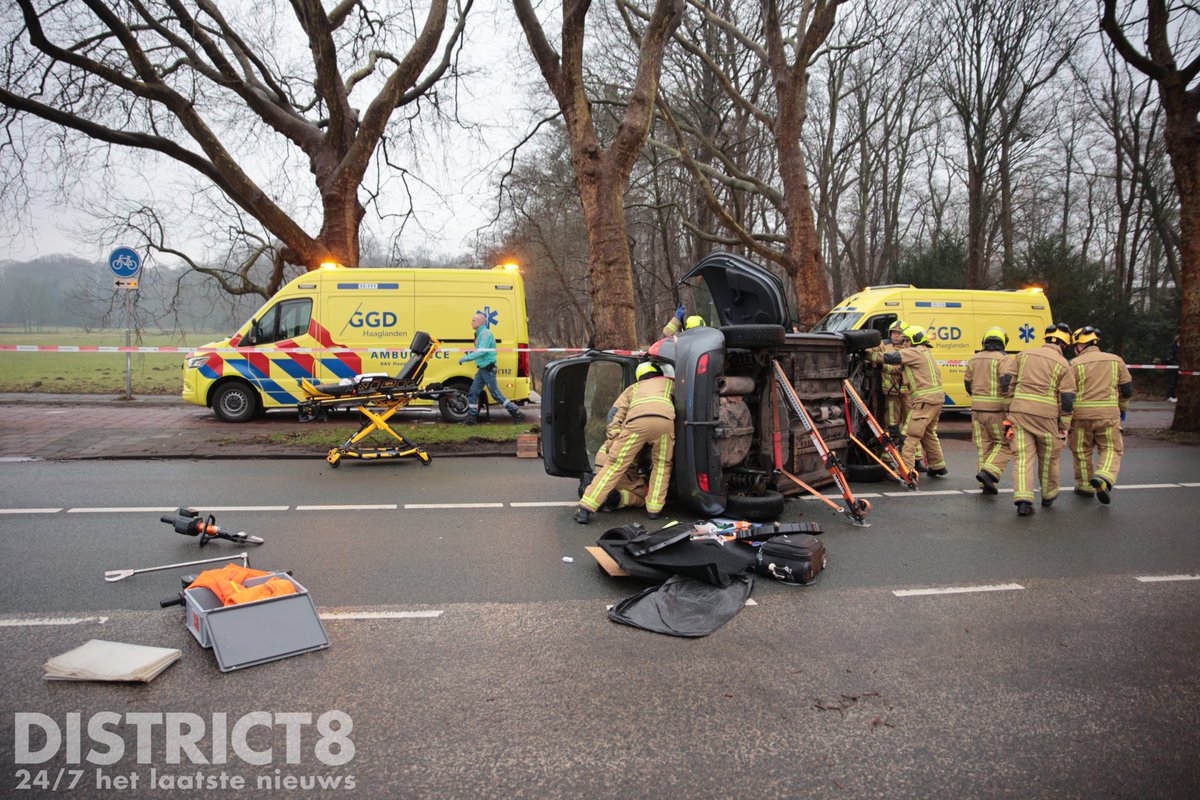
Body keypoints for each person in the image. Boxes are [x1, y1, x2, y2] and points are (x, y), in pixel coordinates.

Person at [574, 361, 675, 524]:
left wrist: (615, 436)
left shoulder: (632, 389)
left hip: (636, 423)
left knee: (615, 465)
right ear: (659, 373)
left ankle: (585, 509)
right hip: (665, 423)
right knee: (662, 465)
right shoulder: (670, 384)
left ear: (639, 377)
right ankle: (654, 510)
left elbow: (614, 414)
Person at [1001, 323, 1076, 516]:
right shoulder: (1063, 364)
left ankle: (1024, 500)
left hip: (1020, 413)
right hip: (1047, 417)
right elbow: (1067, 398)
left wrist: (1009, 409)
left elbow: (1008, 383)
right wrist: (1065, 424)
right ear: (1064, 344)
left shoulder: (1023, 355)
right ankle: (1049, 495)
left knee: (1022, 457)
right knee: (1049, 457)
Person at [1068, 326, 1133, 505]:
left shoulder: (1073, 364)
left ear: (1080, 346)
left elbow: (1067, 393)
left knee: (1081, 451)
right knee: (1111, 448)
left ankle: (1085, 486)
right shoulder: (1115, 361)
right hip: (1108, 415)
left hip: (1080, 417)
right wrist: (1122, 408)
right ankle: (1103, 476)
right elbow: (1127, 389)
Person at [882, 325, 946, 476]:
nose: (903, 344)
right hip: (936, 400)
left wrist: (869, 356)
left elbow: (891, 357)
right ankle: (938, 465)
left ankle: (906, 471)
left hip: (924, 400)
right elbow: (898, 369)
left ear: (913, 340)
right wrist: (882, 368)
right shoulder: (926, 352)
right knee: (929, 433)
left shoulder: (914, 351)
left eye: (906, 340)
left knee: (909, 434)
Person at [966, 326, 1014, 495]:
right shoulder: (1004, 359)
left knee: (984, 446)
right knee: (1005, 444)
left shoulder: (974, 359)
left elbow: (967, 385)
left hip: (976, 410)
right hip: (996, 411)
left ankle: (985, 484)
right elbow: (1007, 383)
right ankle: (990, 472)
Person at [458, 311, 522, 425]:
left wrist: (466, 358)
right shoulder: (481, 333)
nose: (471, 323)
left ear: (480, 322)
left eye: (473, 320)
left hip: (488, 369)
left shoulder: (485, 334)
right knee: (473, 392)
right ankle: (472, 418)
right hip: (483, 369)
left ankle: (516, 412)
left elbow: (481, 352)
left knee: (496, 394)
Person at [1165, 334, 1179, 402]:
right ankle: (1170, 396)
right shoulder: (1171, 348)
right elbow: (1169, 358)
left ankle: (1174, 396)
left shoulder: (1179, 348)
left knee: (1176, 383)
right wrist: (1176, 364)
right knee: (1172, 383)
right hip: (1172, 368)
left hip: (1178, 369)